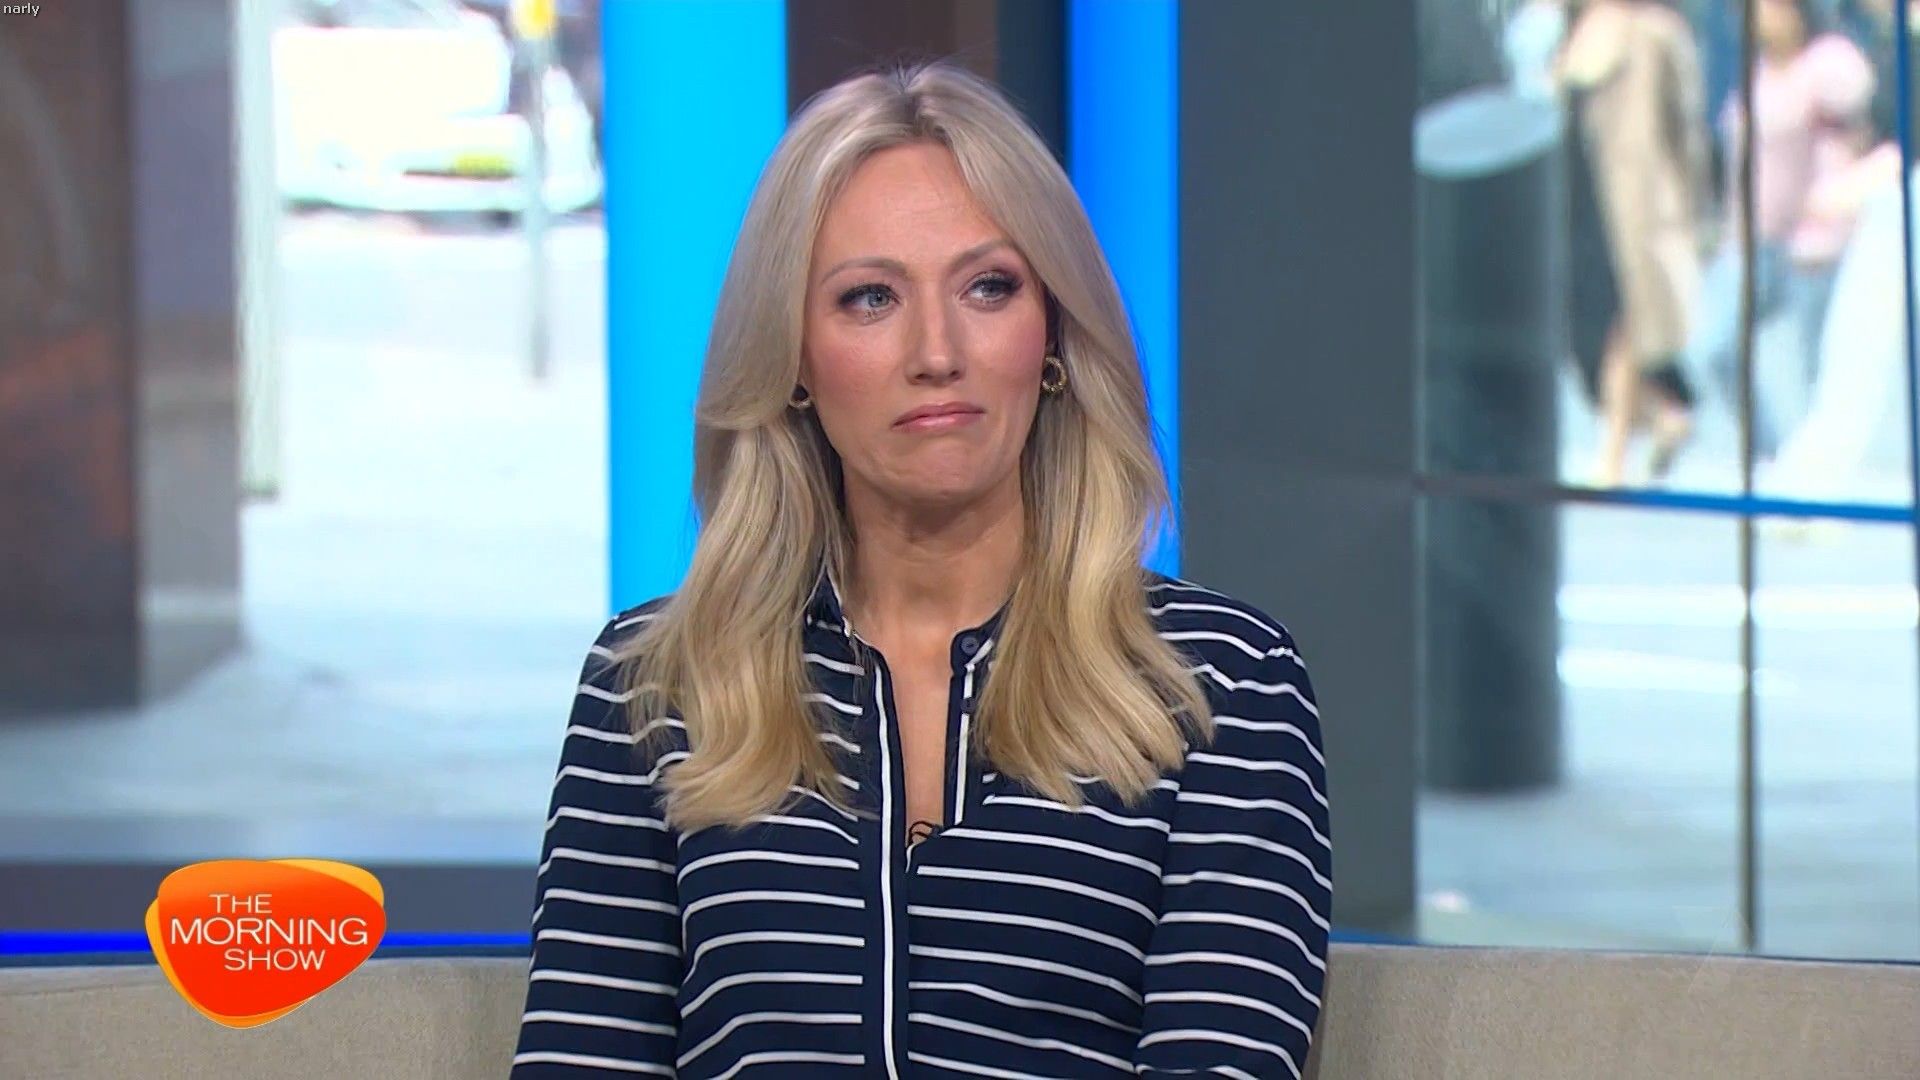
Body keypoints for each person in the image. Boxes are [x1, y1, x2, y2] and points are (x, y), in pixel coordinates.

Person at [509, 61, 1332, 1078]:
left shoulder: (1220, 682)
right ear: (793, 358)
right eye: (870, 298)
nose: (936, 352)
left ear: (1052, 335)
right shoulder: (655, 684)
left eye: (989, 287)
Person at [1686, 0, 1874, 466]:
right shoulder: (1758, 72)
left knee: (1819, 370)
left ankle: (1816, 468)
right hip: (1751, 240)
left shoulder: (1828, 63)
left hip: (1816, 239)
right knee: (1714, 344)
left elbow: (1862, 128)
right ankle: (1776, 452)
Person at [1556, 0, 1711, 487]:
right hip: (1579, 197)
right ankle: (1666, 413)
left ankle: (1613, 455)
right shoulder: (1572, 31)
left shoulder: (1657, 34)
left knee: (1622, 324)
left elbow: (1687, 129)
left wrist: (1694, 211)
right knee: (1588, 334)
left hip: (1637, 206)